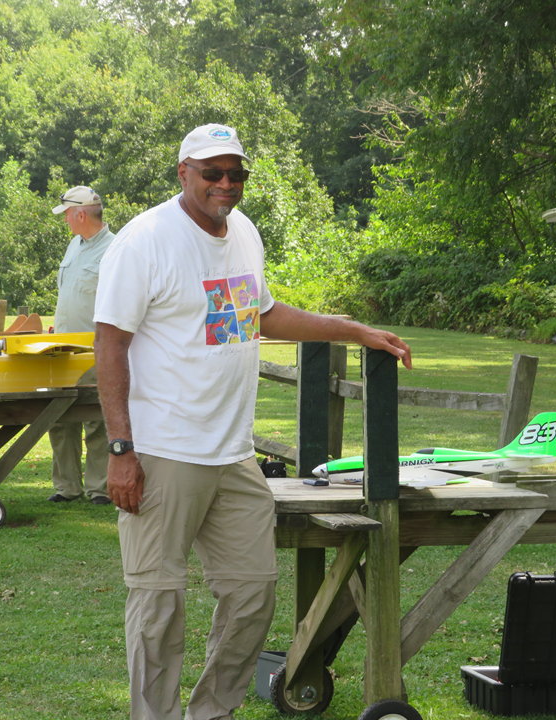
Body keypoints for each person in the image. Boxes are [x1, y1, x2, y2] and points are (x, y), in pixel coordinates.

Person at [94, 124, 412, 720]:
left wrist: (353, 329)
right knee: (158, 606)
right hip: (163, 450)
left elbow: (260, 313)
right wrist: (121, 448)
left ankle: (211, 714)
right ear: (183, 171)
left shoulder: (243, 232)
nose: (225, 184)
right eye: (211, 172)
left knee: (252, 596)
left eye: (235, 173)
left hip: (233, 455)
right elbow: (109, 345)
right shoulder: (145, 241)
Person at [47, 186, 116, 504]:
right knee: (59, 418)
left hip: (95, 348)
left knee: (98, 418)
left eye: (67, 216)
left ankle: (99, 488)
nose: (65, 222)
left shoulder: (115, 250)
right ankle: (67, 487)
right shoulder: (74, 245)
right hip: (62, 348)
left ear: (81, 214)